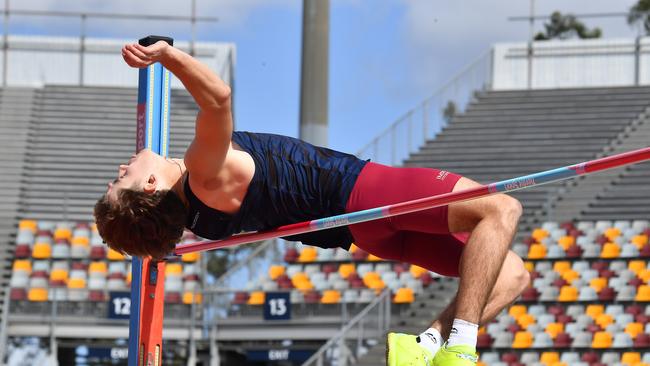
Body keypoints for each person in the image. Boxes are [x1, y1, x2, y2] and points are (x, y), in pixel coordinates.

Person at [94, 41, 530, 366]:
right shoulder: (203, 171)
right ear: (150, 185)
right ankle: (460, 348)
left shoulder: (199, 218)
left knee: (511, 274)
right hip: (365, 193)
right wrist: (168, 56)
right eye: (121, 178)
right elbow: (219, 98)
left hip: (360, 232)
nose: (121, 165)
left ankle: (426, 345)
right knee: (500, 209)